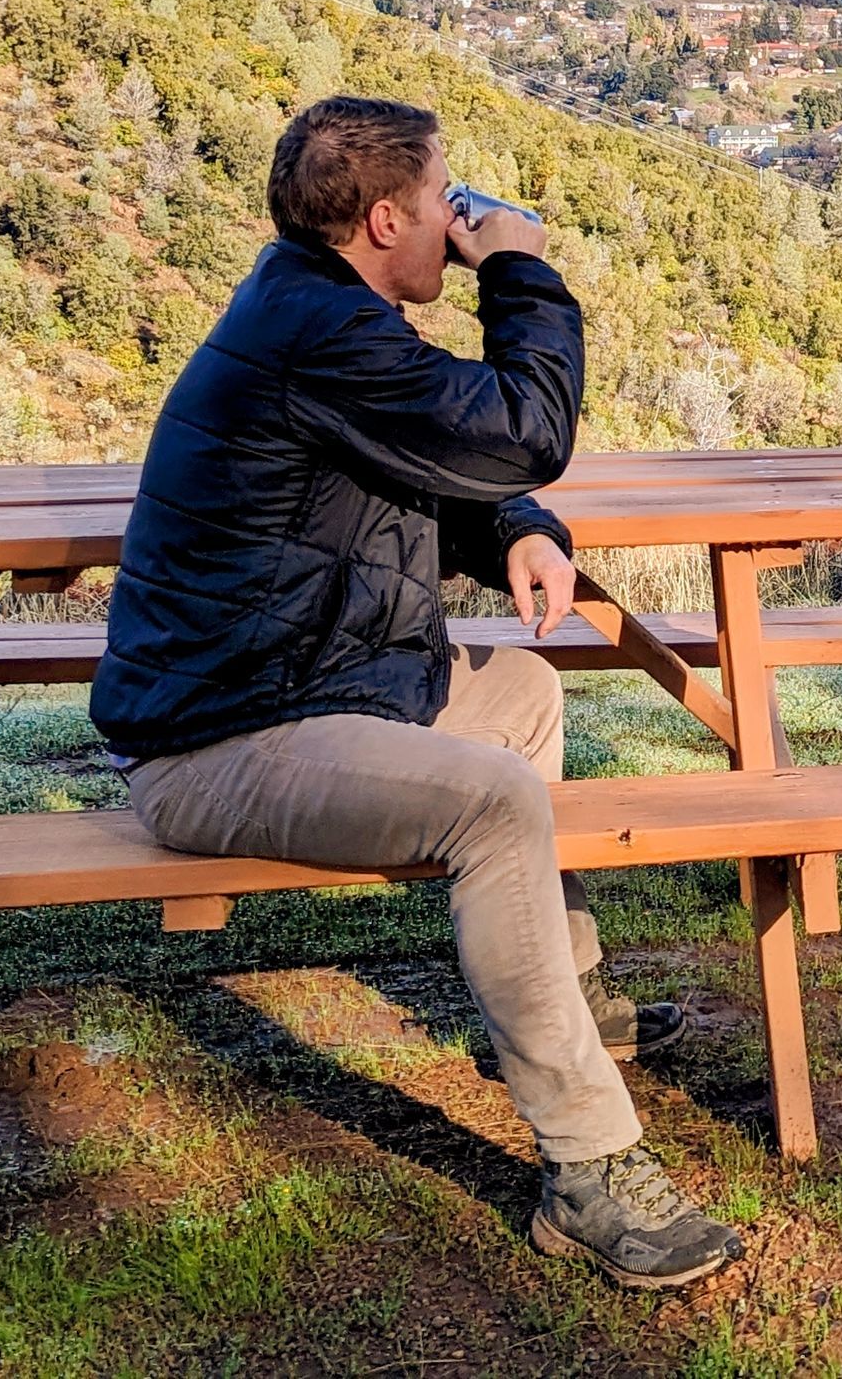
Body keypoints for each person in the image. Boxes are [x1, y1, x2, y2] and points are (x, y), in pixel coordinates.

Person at [91, 93, 742, 1290]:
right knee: (494, 802)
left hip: (311, 686)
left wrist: (519, 535)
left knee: (525, 694)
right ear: (387, 216)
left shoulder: (320, 306)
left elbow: (438, 454)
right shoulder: (318, 330)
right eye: (448, 200)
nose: (460, 221)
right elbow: (520, 428)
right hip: (222, 738)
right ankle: (590, 1170)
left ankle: (563, 1011)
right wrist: (521, 273)